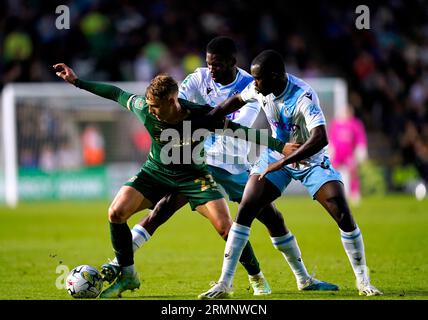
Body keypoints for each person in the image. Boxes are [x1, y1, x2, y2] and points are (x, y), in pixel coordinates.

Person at [101, 37, 338, 296]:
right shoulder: (199, 78)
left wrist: (203, 123)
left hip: (233, 163)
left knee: (270, 217)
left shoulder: (253, 84)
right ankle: (119, 264)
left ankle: (302, 278)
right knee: (163, 209)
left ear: (232, 62)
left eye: (217, 64)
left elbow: (232, 125)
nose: (211, 69)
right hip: (201, 160)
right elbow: (179, 104)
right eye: (209, 63)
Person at [53, 62, 295, 298]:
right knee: (116, 212)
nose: (150, 110)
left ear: (171, 101)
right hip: (155, 172)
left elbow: (240, 131)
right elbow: (116, 93)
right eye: (148, 105)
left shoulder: (201, 116)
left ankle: (256, 277)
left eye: (155, 106)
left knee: (226, 228)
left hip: (194, 178)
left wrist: (281, 147)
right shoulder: (144, 108)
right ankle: (128, 275)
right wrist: (77, 82)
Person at [199, 50, 382, 299]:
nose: (254, 84)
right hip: (278, 155)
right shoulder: (259, 88)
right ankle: (224, 283)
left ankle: (364, 282)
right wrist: (209, 118)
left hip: (311, 159)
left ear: (274, 76)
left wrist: (284, 160)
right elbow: (235, 101)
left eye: (259, 79)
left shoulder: (303, 96)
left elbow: (320, 138)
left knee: (342, 211)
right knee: (246, 208)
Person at [328, 104, 368, 205]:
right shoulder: (335, 124)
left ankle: (354, 194)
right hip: (337, 155)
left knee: (353, 173)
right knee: (334, 174)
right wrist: (330, 150)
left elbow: (360, 139)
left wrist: (361, 150)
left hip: (349, 154)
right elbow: (331, 138)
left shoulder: (355, 124)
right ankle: (337, 194)